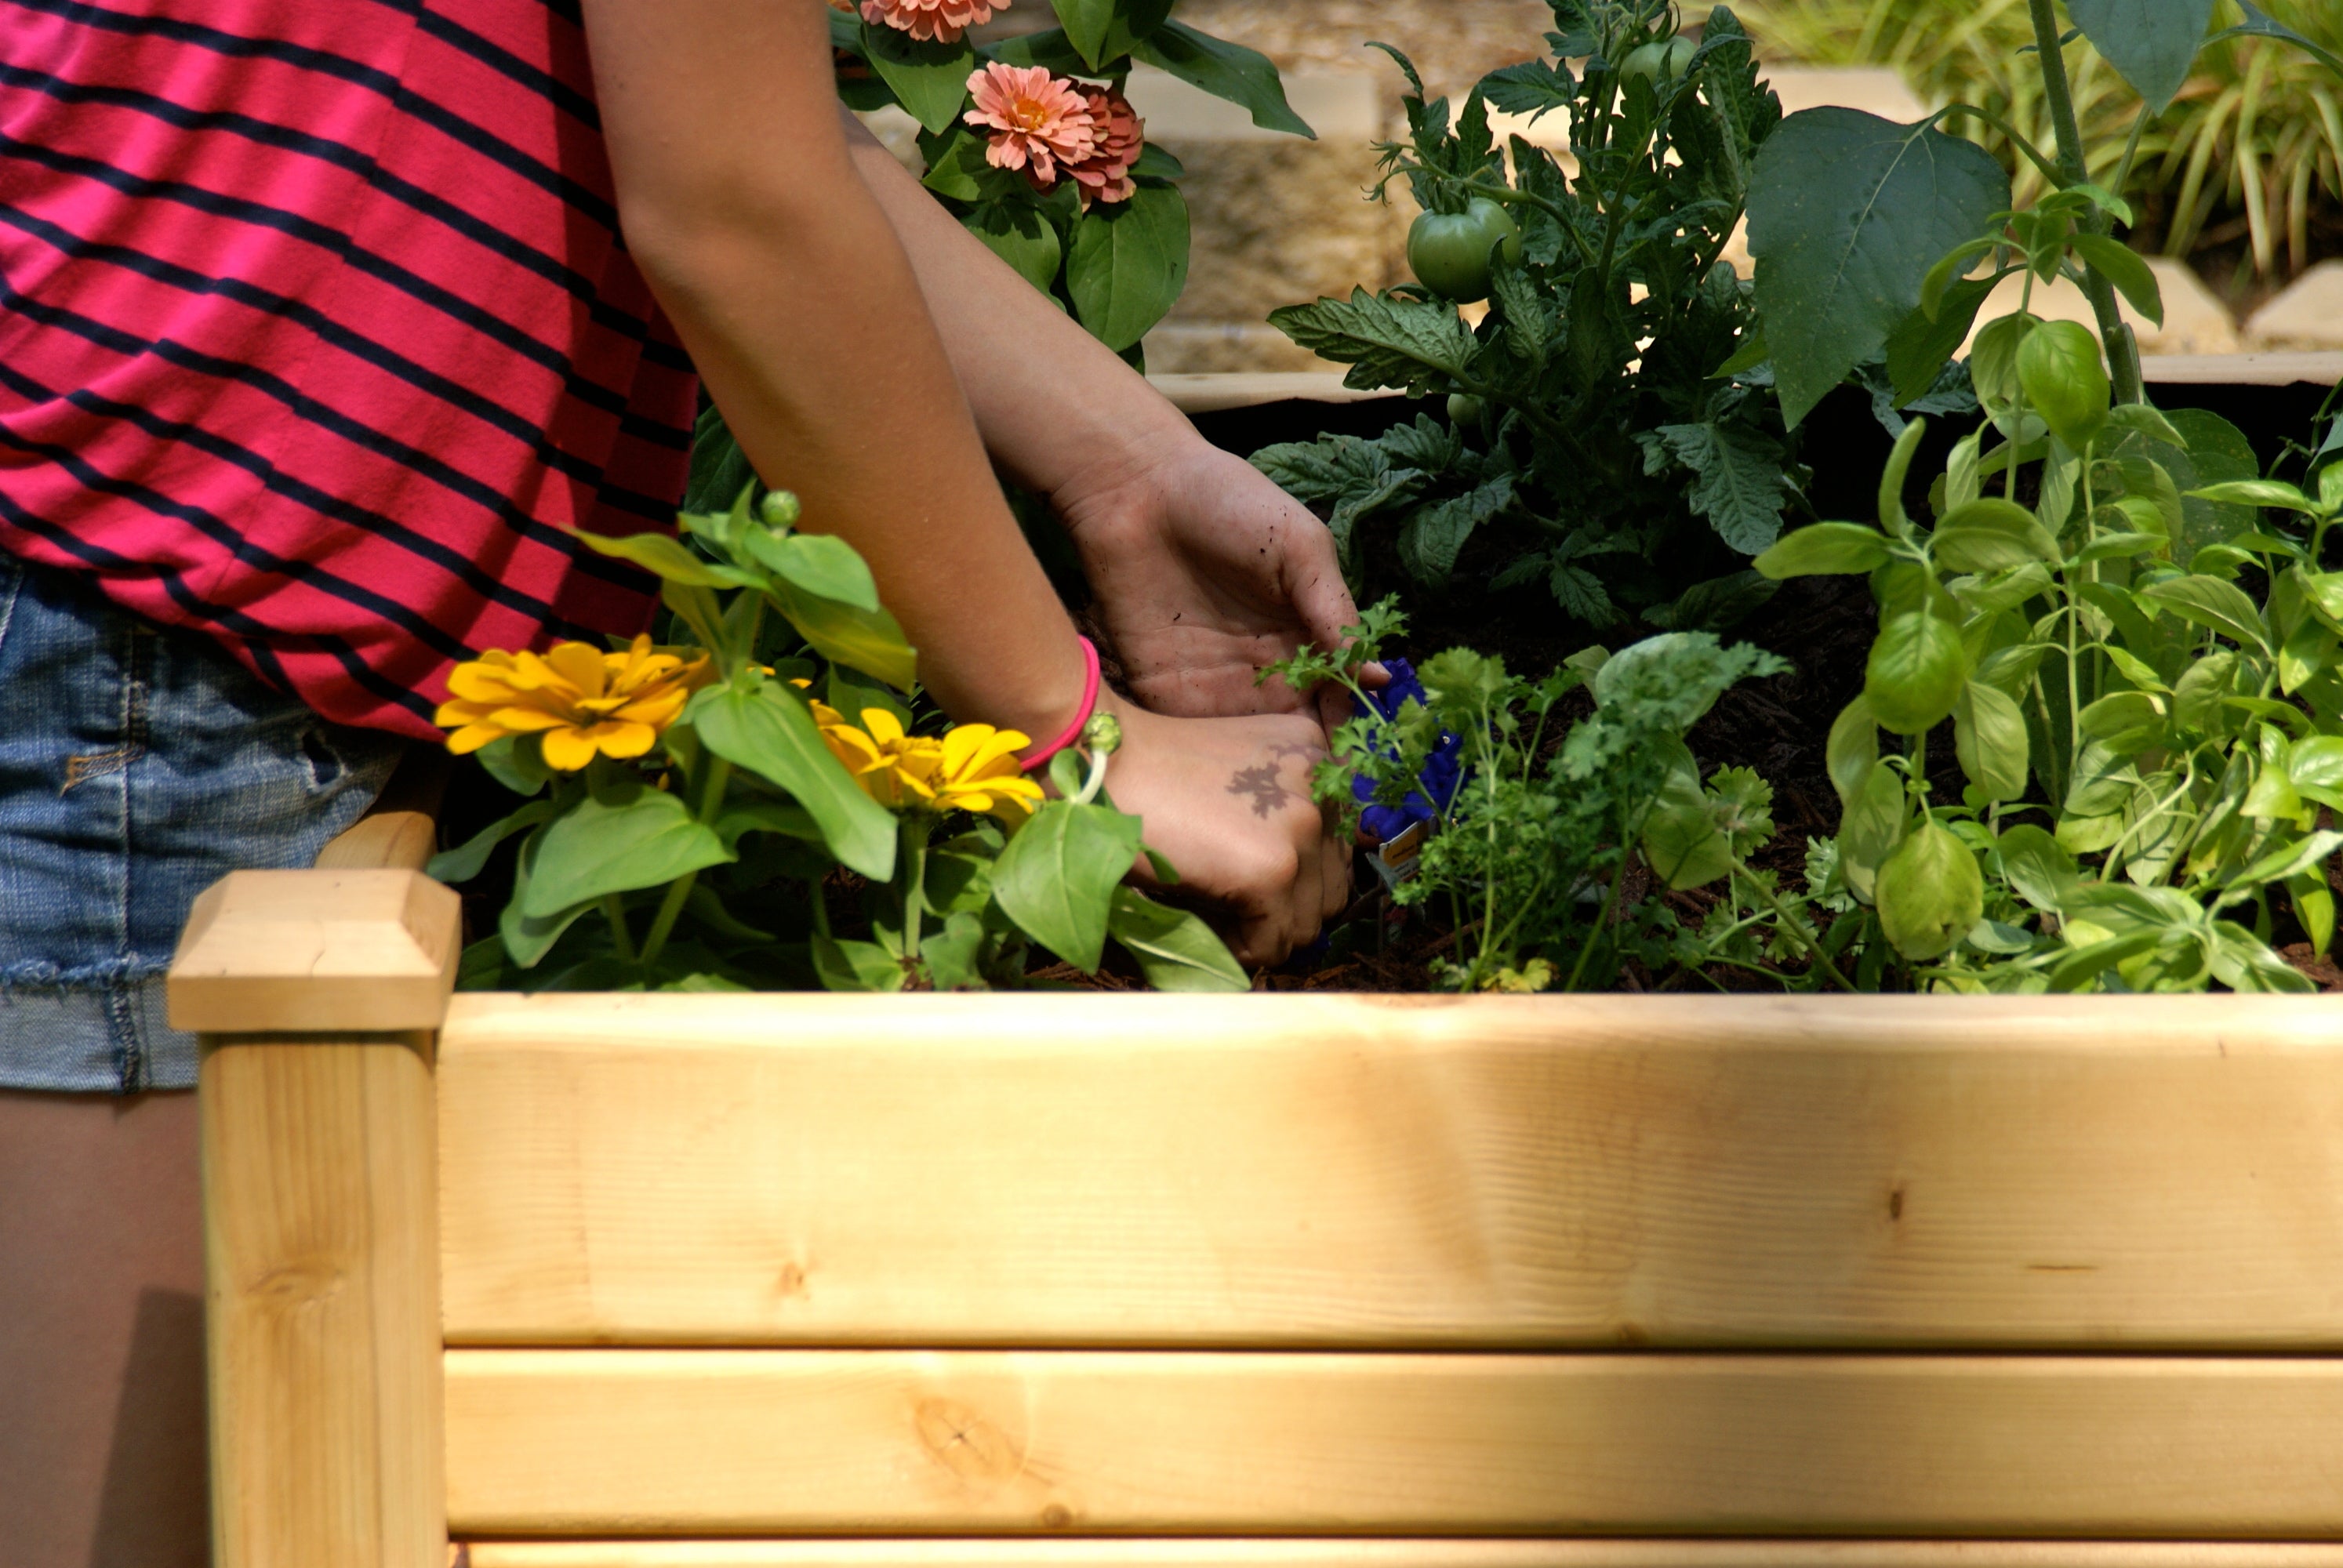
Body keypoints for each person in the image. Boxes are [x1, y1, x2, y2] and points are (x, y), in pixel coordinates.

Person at [0, 1, 1360, 1559]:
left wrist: (1128, 466)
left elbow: (747, 126)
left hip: (145, 637)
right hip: (132, 659)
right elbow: (729, 198)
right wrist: (1078, 738)